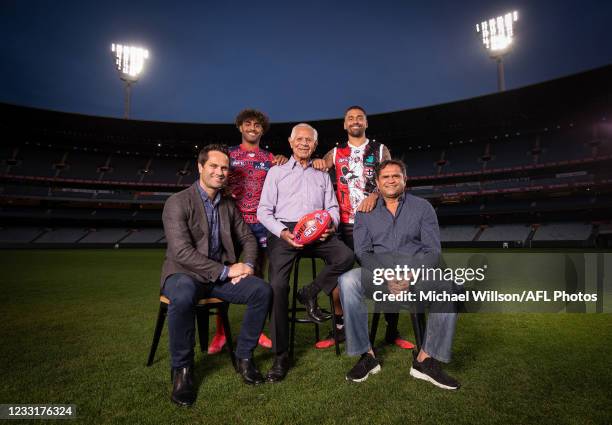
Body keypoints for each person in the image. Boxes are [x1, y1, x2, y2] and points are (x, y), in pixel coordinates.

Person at [161, 144, 272, 406]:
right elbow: (181, 252)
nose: (220, 172)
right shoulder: (177, 202)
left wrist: (247, 265)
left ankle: (244, 357)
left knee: (262, 290)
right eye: (213, 166)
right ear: (200, 167)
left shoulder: (228, 205)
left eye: (224, 168)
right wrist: (225, 270)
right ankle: (183, 370)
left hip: (219, 278)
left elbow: (249, 239)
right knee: (185, 294)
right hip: (183, 275)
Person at [338, 159, 461, 389]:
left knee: (450, 285)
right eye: (385, 177)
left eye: (396, 176)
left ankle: (425, 360)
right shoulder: (365, 211)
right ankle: (367, 355)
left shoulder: (423, 207)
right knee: (347, 280)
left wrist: (410, 276)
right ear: (377, 182)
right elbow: (363, 252)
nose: (391, 180)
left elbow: (432, 251)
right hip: (378, 275)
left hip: (416, 275)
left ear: (405, 179)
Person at [257, 123, 355, 382]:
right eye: (299, 139)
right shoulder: (276, 173)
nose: (303, 143)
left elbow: (332, 207)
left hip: (317, 228)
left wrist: (329, 226)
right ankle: (281, 356)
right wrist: (282, 232)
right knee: (277, 286)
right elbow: (263, 211)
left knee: (346, 256)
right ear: (290, 143)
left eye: (309, 140)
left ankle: (309, 292)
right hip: (285, 230)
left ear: (314, 145)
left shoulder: (322, 174)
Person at [312, 105, 413, 350]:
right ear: (345, 125)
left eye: (360, 118)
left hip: (376, 222)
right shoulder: (335, 153)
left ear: (366, 123)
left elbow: (391, 179)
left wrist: (376, 194)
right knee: (338, 278)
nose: (355, 121)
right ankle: (340, 328)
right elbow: (317, 166)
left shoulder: (379, 149)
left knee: (386, 273)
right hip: (344, 225)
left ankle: (391, 329)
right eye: (350, 118)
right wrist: (315, 162)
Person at [207, 109, 286, 354]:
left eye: (257, 125)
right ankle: (221, 333)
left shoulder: (270, 157)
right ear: (240, 127)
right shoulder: (228, 155)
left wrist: (282, 159)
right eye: (248, 124)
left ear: (262, 130)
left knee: (258, 277)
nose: (252, 128)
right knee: (226, 275)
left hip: (260, 224)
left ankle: (258, 331)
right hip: (231, 223)